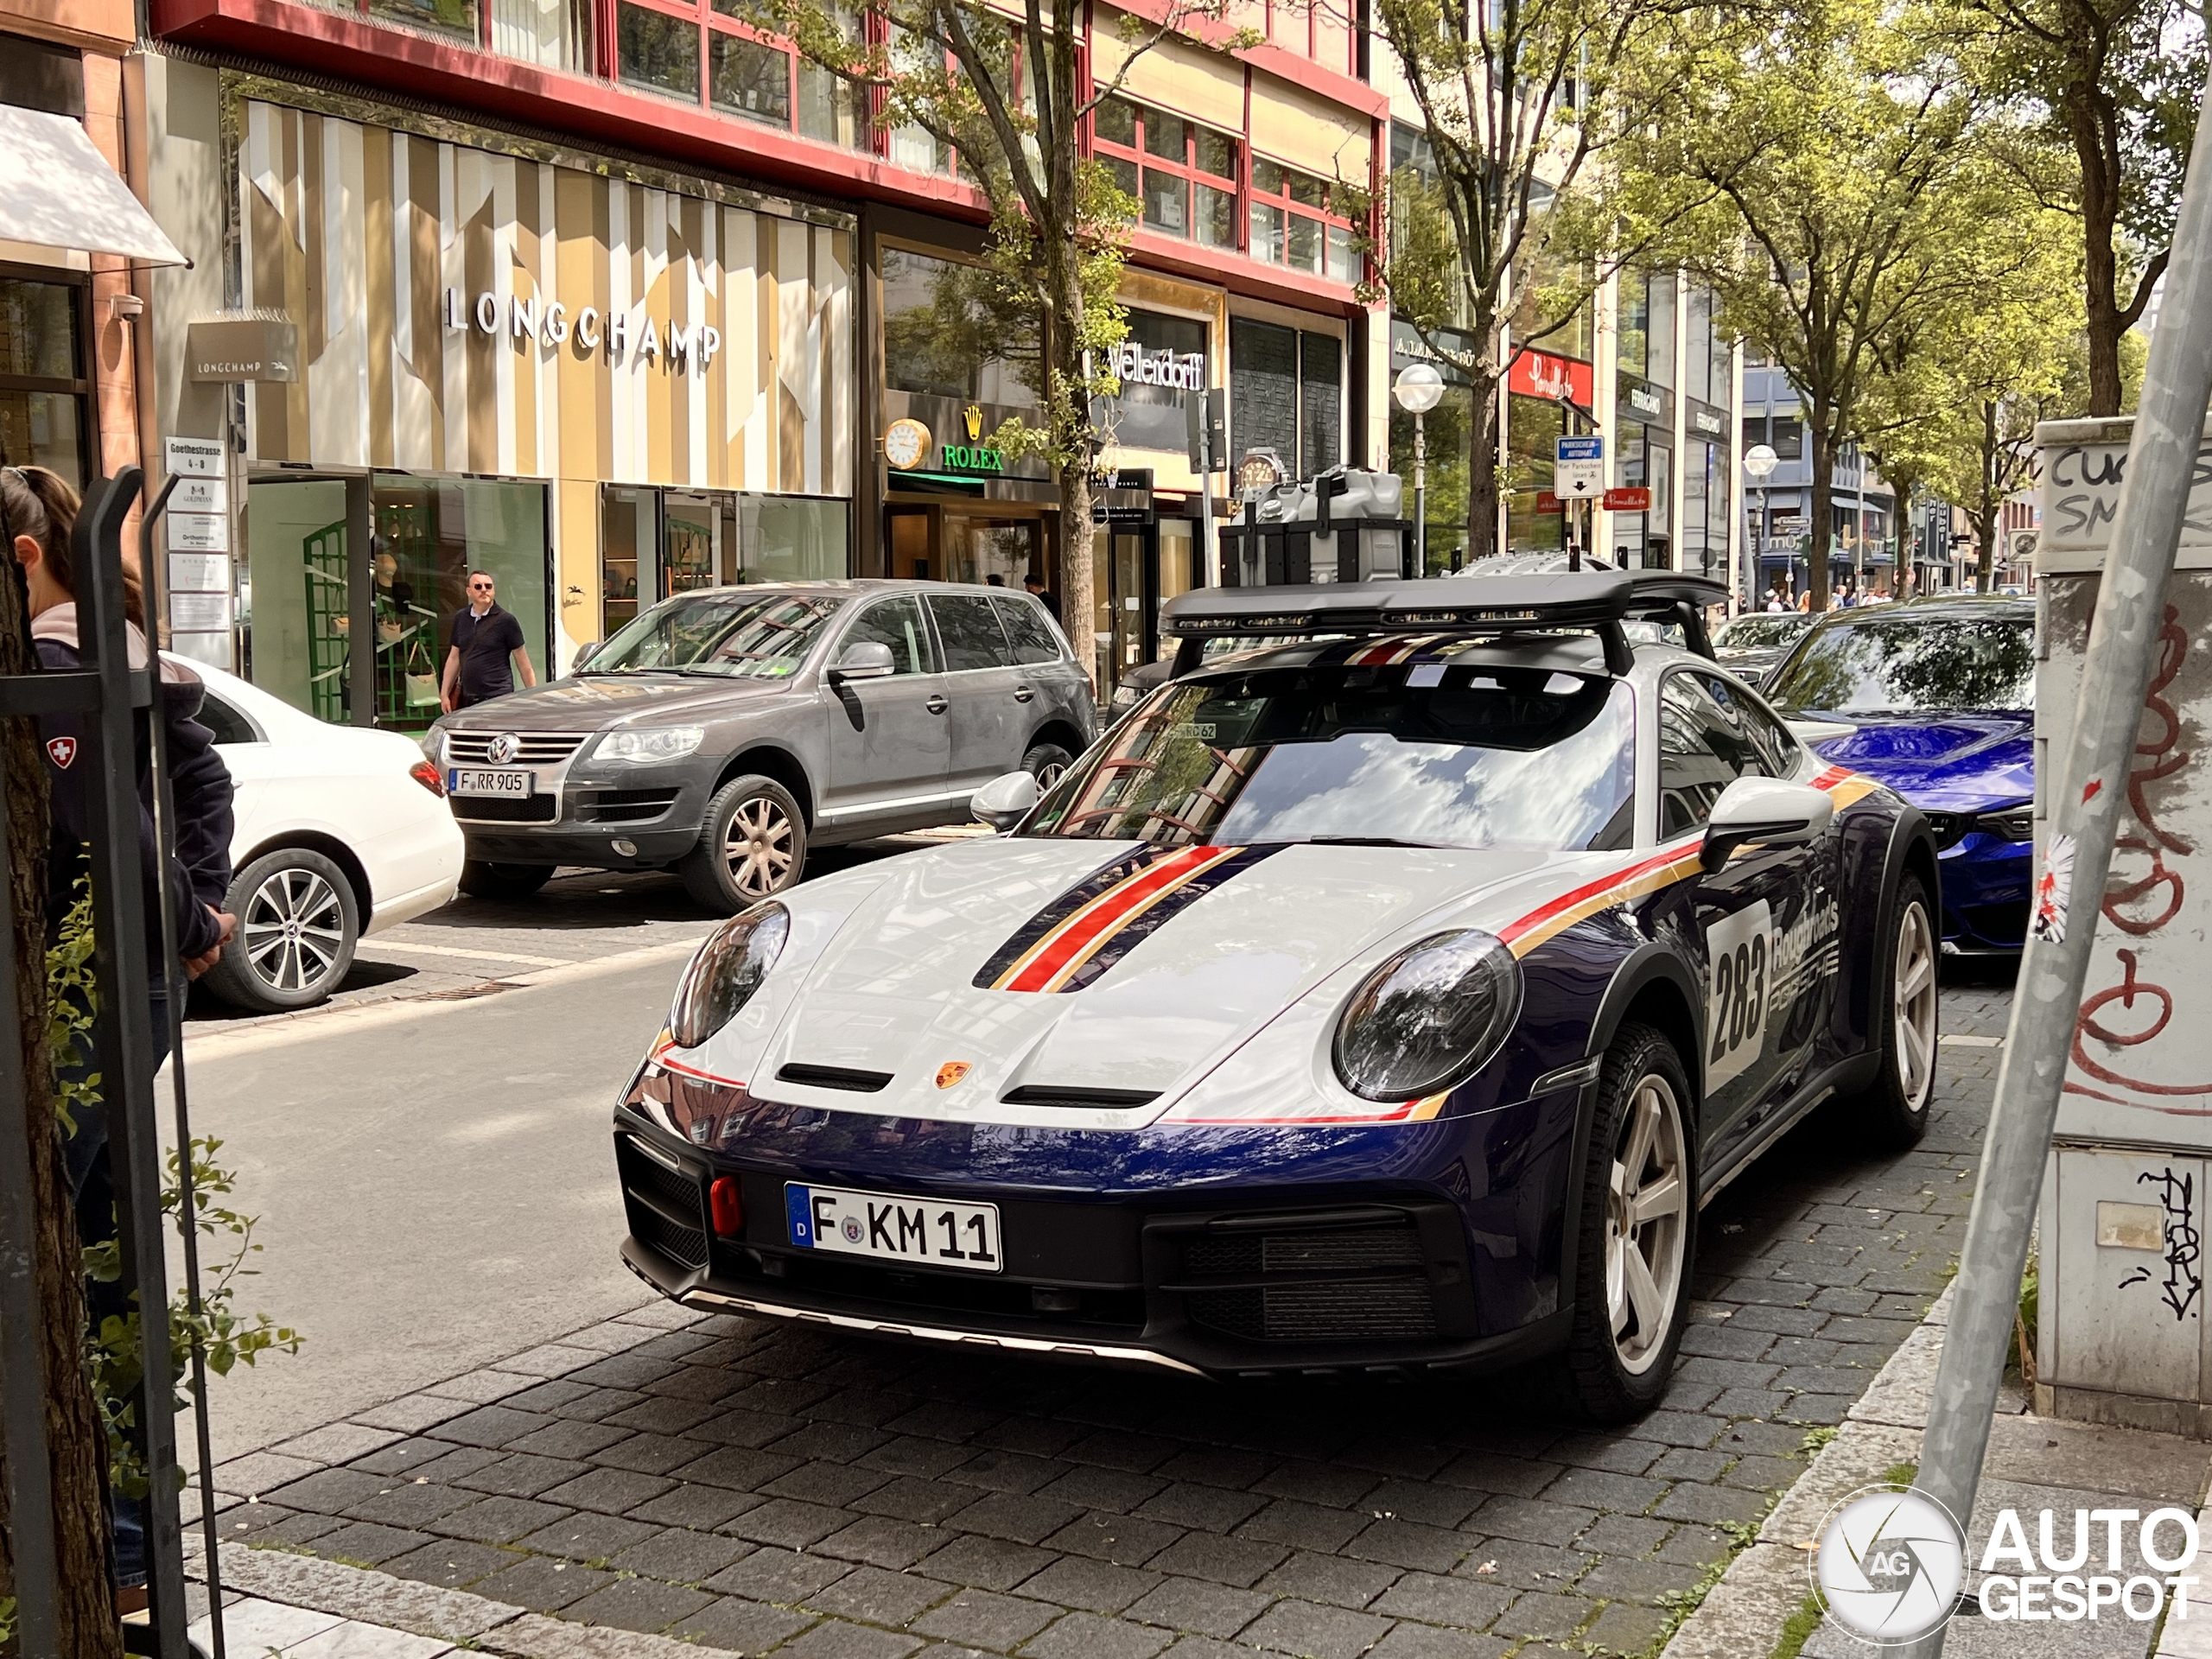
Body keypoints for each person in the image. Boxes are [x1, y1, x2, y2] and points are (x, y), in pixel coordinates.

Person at [5, 462, 238, 1614]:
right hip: (125, 982)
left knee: (58, 1237)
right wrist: (199, 900)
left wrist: (196, 915)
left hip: (106, 985)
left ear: (27, 556)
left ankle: (126, 1543)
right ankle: (133, 1546)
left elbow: (131, 823)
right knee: (97, 1251)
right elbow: (200, 785)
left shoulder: (61, 668)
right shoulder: (103, 653)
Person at [442, 570, 536, 712]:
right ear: (469, 591)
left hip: (498, 697)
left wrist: (533, 697)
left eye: (488, 586)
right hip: (469, 698)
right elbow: (454, 658)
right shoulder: (461, 618)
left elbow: (523, 663)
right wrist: (444, 694)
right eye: (478, 587)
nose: (484, 590)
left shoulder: (506, 621)